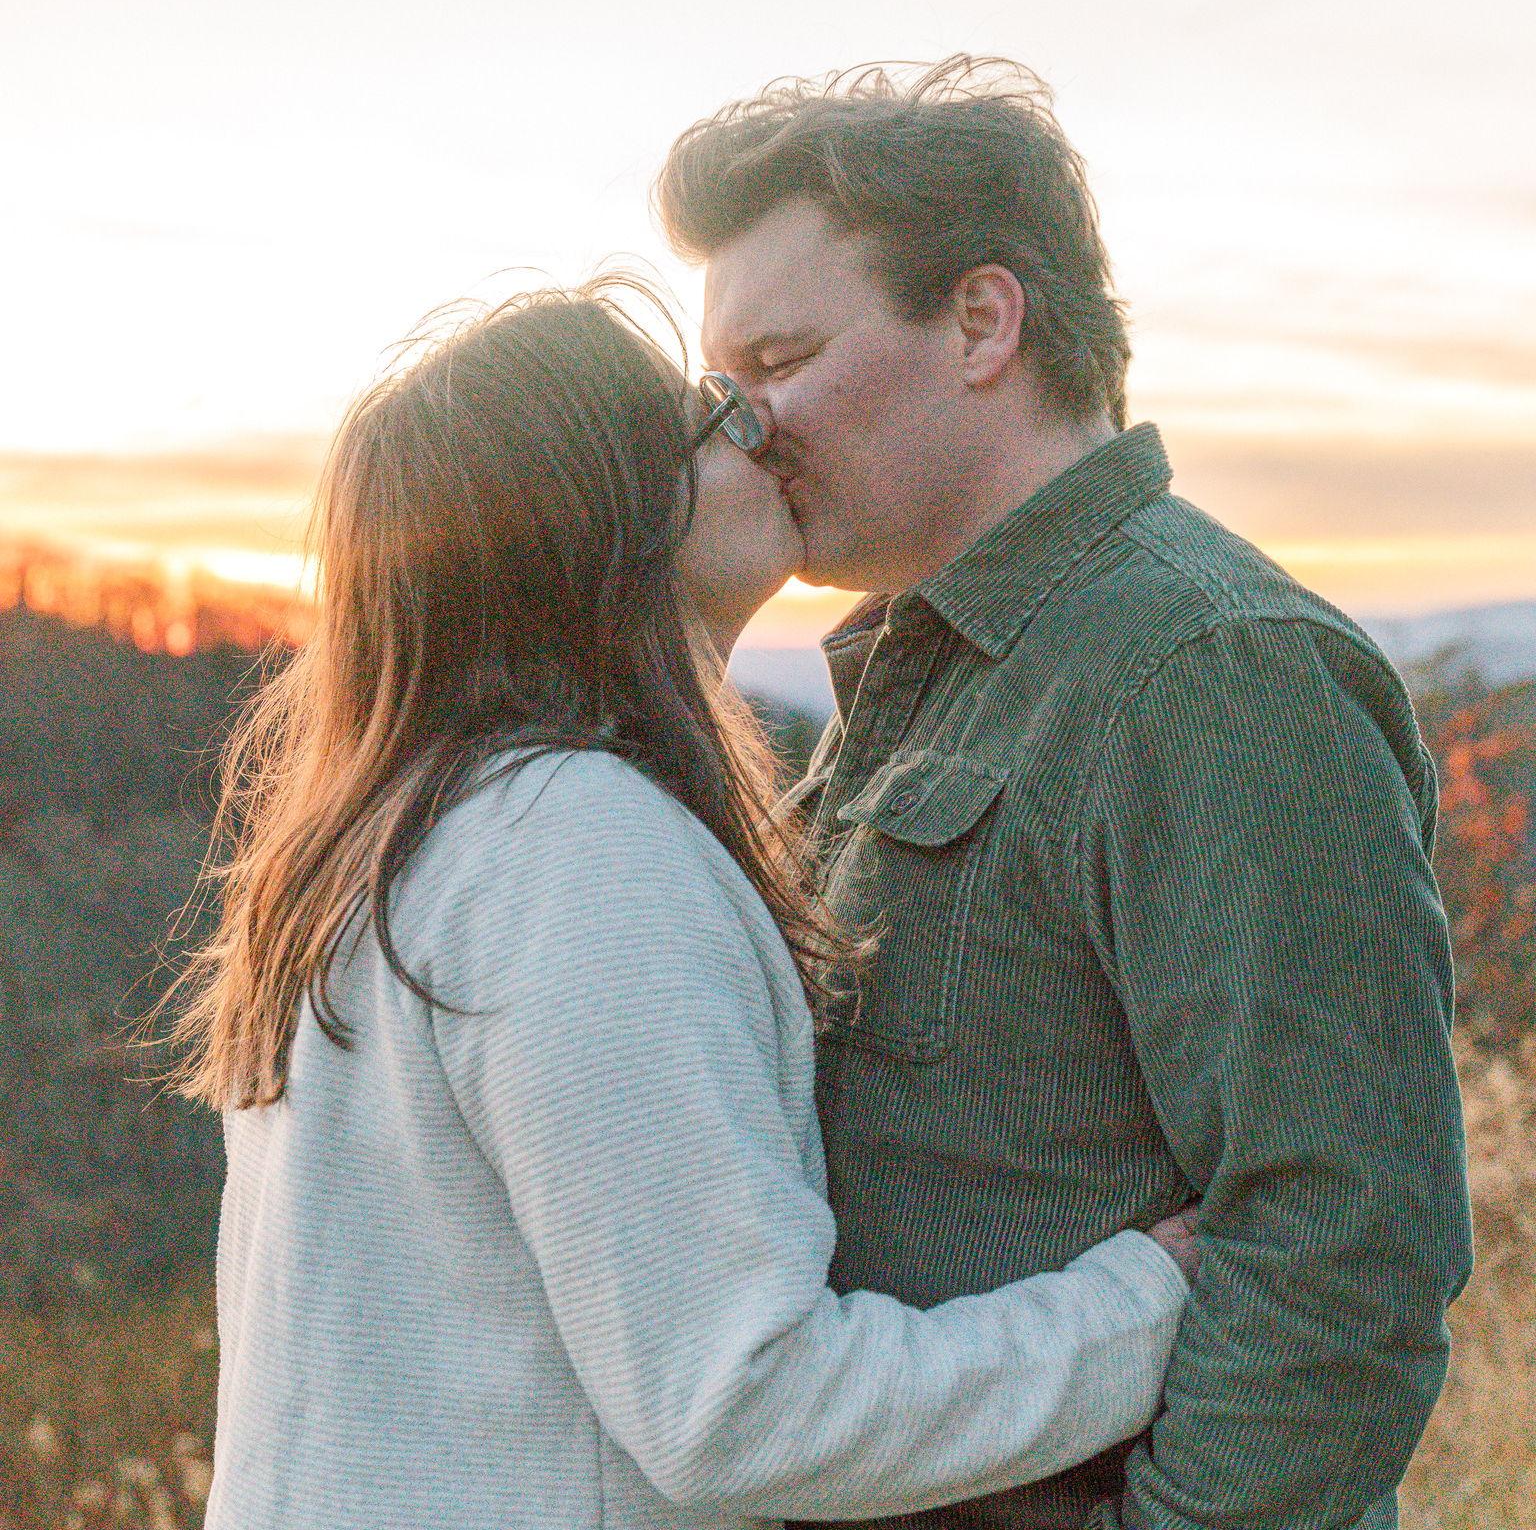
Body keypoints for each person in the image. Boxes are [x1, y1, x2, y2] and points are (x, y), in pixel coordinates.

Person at [164, 279, 1201, 1530]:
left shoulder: (389, 841)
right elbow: (747, 1409)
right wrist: (1144, 1299)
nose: (753, 427)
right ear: (599, 517)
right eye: (702, 416)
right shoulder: (575, 847)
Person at [656, 55, 1474, 1530]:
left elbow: (1344, 1246)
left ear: (982, 321)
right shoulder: (928, 674)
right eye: (726, 385)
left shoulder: (1214, 671)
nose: (744, 426)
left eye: (778, 362)